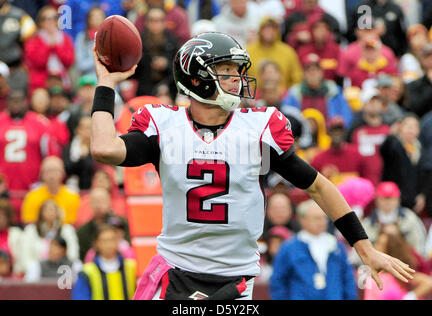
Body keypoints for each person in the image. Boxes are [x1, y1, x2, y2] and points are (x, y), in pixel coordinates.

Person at [90, 31, 415, 300]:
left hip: (235, 282)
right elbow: (105, 148)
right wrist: (106, 83)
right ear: (199, 77)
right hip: (175, 274)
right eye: (228, 72)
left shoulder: (258, 128)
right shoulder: (163, 125)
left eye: (238, 71)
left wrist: (364, 247)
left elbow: (318, 185)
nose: (238, 80)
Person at [270, 199, 358, 300]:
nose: (322, 222)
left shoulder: (337, 246)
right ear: (303, 220)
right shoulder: (289, 248)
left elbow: (348, 279)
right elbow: (278, 282)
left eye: (323, 218)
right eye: (316, 218)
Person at [0, 89, 60, 218]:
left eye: (19, 100)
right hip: (3, 189)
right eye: (12, 100)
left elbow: (51, 156)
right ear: (6, 103)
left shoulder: (40, 123)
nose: (16, 104)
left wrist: (45, 180)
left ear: (26, 102)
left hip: (33, 186)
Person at [282, 53, 353, 128]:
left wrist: (339, 122)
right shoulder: (294, 93)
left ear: (321, 72)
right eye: (308, 69)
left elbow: (347, 115)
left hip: (329, 134)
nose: (312, 73)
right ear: (303, 73)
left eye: (316, 69)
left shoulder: (334, 91)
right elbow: (286, 117)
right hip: (303, 134)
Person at [364, 224, 432, 300]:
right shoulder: (373, 274)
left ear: (390, 249)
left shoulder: (398, 271)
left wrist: (410, 296)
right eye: (377, 243)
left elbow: (429, 282)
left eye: (381, 245)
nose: (376, 247)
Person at [362, 182, 428, 257]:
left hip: (407, 262)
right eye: (384, 198)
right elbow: (361, 251)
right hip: (377, 263)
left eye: (391, 198)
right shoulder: (368, 222)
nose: (388, 202)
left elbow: (420, 243)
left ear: (398, 199)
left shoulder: (409, 218)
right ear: (377, 200)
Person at [72, 224, 137, 300]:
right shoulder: (87, 272)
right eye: (104, 241)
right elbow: (80, 296)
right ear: (96, 244)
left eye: (112, 239)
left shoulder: (131, 266)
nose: (109, 245)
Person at [380, 114, 427, 212]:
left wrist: (422, 194)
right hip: (394, 199)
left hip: (413, 200)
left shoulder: (421, 149)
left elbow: (424, 175)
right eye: (408, 126)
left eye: (414, 127)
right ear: (400, 127)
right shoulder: (394, 144)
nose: (411, 129)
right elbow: (384, 149)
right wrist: (391, 134)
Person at [24, 5, 75, 93]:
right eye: (47, 18)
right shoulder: (33, 40)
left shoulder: (65, 38)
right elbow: (38, 62)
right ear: (40, 22)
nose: (51, 21)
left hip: (61, 82)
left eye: (54, 18)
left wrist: (56, 47)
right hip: (40, 84)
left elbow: (69, 61)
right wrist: (49, 46)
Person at [132, 6, 179, 101]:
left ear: (164, 22)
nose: (155, 24)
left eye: (159, 20)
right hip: (144, 90)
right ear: (146, 22)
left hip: (168, 90)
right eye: (152, 20)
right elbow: (132, 70)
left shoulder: (172, 41)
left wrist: (166, 65)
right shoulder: (139, 41)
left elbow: (179, 69)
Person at [20, 199, 79, 274]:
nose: (50, 213)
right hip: (38, 272)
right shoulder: (30, 230)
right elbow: (25, 257)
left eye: (53, 210)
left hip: (63, 270)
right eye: (46, 210)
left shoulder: (67, 230)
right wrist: (35, 269)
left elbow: (73, 254)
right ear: (41, 213)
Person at [247, 16, 303, 93]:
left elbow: (297, 78)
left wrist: (288, 95)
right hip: (254, 97)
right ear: (260, 31)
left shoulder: (288, 51)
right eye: (266, 28)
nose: (269, 32)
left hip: (282, 97)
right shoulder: (248, 51)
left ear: (277, 31)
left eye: (273, 29)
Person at [21, 156, 80, 225]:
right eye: (48, 171)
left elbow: (74, 223)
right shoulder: (32, 197)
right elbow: (29, 223)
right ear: (41, 174)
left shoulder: (73, 197)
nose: (52, 175)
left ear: (63, 174)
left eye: (55, 171)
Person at [77, 188, 129, 261]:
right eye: (95, 201)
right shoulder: (82, 231)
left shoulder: (121, 224)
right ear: (90, 204)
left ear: (109, 202)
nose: (98, 205)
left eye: (102, 201)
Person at [63, 116, 95, 191]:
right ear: (78, 130)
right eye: (85, 128)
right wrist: (81, 158)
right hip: (74, 187)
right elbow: (67, 169)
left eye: (90, 128)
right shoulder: (69, 148)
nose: (88, 131)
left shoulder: (100, 148)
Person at [74, 7, 106, 77]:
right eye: (94, 17)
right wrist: (98, 57)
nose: (97, 19)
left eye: (100, 16)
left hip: (106, 76)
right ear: (88, 20)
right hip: (88, 79)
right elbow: (80, 65)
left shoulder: (109, 38)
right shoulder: (81, 38)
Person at [405, 43, 432, 118]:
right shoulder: (414, 85)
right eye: (428, 57)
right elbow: (414, 108)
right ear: (422, 60)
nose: (431, 60)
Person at [0, 199, 22, 274]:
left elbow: (21, 260)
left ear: (8, 217)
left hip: (13, 275)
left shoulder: (16, 234)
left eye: (2, 216)